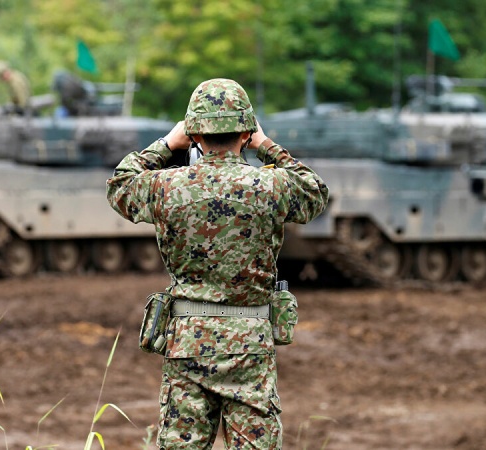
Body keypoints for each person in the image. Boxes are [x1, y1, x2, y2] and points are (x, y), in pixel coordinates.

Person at [106, 78, 330, 449]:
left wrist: (167, 144)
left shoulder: (167, 186)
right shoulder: (270, 185)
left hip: (187, 341)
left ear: (193, 134)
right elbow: (315, 191)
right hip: (250, 342)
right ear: (246, 132)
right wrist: (266, 145)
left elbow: (120, 186)